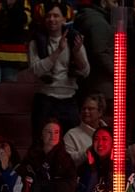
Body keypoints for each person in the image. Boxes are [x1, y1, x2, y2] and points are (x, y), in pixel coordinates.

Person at [29, 0, 90, 140]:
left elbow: (86, 71)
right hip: (45, 99)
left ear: (64, 19)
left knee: (71, 142)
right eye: (49, 16)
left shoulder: (74, 38)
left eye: (56, 16)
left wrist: (77, 53)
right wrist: (58, 51)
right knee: (41, 143)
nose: (52, 19)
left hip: (69, 100)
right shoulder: (36, 41)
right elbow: (36, 70)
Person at [73, 126, 135, 192]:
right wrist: (92, 170)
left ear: (113, 143)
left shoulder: (125, 164)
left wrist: (113, 166)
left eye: (104, 139)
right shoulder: (85, 166)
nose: (100, 143)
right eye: (96, 139)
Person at [19, 118, 78, 192]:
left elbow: (70, 186)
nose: (53, 136)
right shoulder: (31, 158)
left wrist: (45, 185)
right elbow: (26, 184)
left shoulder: (66, 159)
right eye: (49, 132)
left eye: (56, 132)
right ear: (41, 134)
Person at [63, 93, 108, 166]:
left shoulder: (111, 133)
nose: (86, 111)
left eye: (90, 109)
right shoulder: (71, 134)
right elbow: (67, 161)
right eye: (84, 109)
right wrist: (89, 152)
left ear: (100, 112)